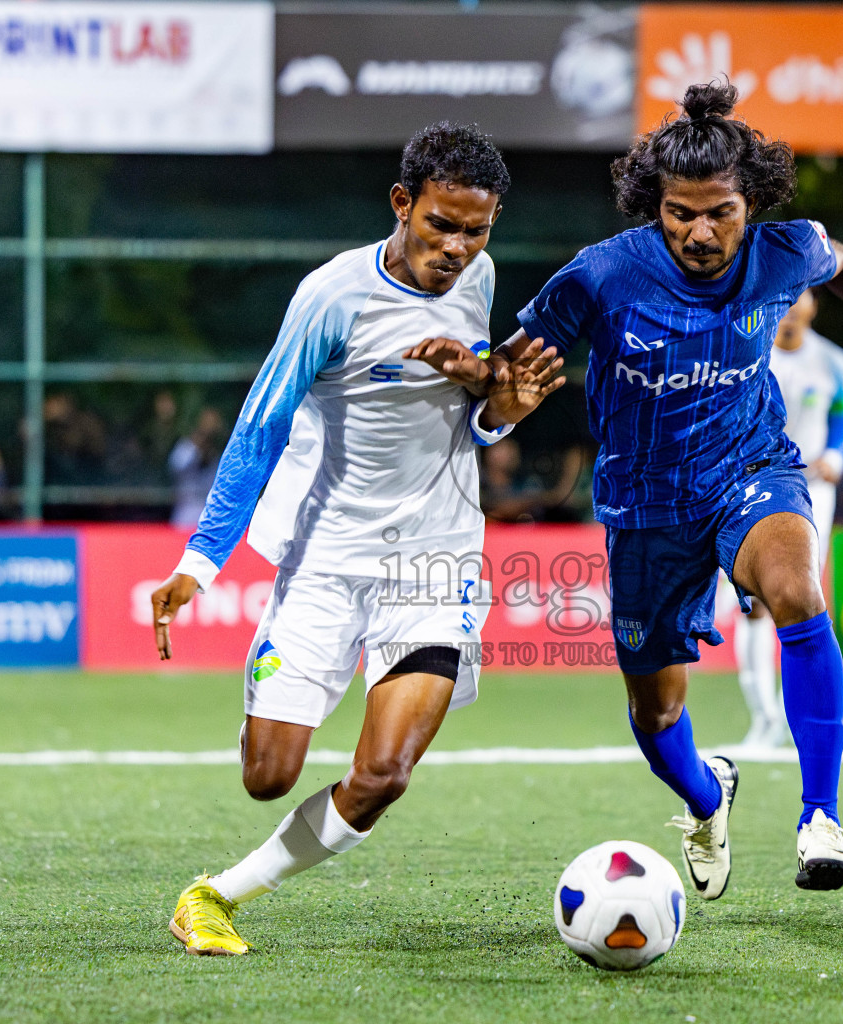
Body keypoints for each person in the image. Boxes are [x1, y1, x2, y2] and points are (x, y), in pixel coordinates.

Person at [426, 82, 843, 899]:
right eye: (680, 213)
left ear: (753, 204)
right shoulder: (602, 275)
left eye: (721, 213)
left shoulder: (782, 251)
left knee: (796, 590)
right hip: (644, 506)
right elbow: (514, 367)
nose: (700, 233)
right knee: (657, 715)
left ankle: (822, 817)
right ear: (655, 205)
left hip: (751, 468)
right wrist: (491, 385)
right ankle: (710, 798)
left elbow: (840, 260)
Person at [147, 123, 564, 956]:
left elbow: (473, 422)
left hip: (435, 558)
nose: (457, 247)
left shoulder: (477, 278)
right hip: (327, 554)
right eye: (441, 224)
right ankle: (272, 702)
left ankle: (214, 896)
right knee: (268, 776)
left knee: (383, 776)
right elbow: (260, 426)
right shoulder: (332, 296)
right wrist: (200, 560)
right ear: (402, 204)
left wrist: (499, 407)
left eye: (476, 229)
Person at [734, 287, 843, 748]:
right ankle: (762, 715)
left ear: (812, 308)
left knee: (800, 598)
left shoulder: (832, 361)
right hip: (753, 484)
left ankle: (794, 713)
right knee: (754, 604)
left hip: (812, 491)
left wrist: (836, 456)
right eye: (781, 304)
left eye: (798, 304)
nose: (789, 313)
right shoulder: (750, 354)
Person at [168, 407, 227, 528]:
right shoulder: (186, 447)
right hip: (185, 513)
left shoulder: (221, 452)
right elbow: (176, 466)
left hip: (213, 517)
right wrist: (197, 444)